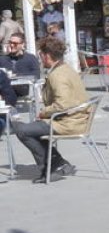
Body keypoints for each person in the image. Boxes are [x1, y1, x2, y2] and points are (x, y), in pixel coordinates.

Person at [11, 37, 89, 183]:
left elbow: (62, 104)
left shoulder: (57, 75)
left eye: (41, 55)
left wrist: (43, 113)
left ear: (47, 55)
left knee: (21, 130)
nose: (40, 59)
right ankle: (57, 162)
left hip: (69, 122)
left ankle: (53, 165)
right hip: (75, 118)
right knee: (30, 129)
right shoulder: (66, 68)